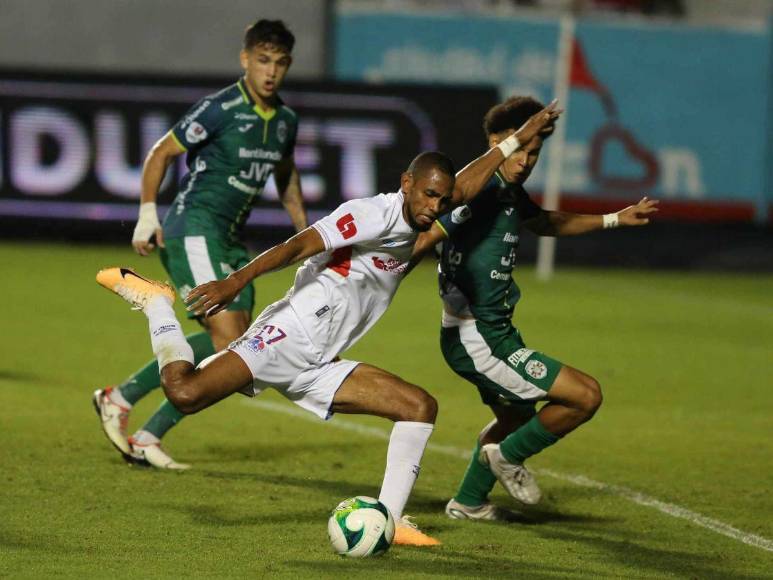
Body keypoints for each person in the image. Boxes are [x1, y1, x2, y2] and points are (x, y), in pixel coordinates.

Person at [95, 101, 561, 546]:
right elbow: (299, 245)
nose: (435, 208)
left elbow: (467, 184)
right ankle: (157, 303)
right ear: (406, 183)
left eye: (442, 200)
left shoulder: (426, 209)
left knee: (419, 407)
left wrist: (516, 140)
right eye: (429, 196)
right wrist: (236, 280)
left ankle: (392, 522)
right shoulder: (370, 215)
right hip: (286, 336)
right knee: (185, 393)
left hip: (321, 362)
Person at [409, 95, 658, 521]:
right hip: (477, 337)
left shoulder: (507, 190)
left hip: (494, 332)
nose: (525, 160)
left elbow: (543, 222)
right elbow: (428, 233)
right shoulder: (478, 186)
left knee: (518, 416)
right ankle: (505, 459)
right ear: (495, 141)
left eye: (534, 152)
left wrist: (615, 218)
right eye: (519, 147)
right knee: (584, 396)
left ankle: (468, 502)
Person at [93, 19, 308, 469]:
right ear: (245, 59)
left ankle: (142, 427)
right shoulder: (222, 107)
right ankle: (125, 402)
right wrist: (147, 213)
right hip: (194, 228)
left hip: (230, 241)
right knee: (232, 340)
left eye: (281, 63)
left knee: (237, 340)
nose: (271, 71)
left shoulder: (286, 120)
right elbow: (161, 153)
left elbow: (286, 175)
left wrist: (306, 232)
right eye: (263, 60)